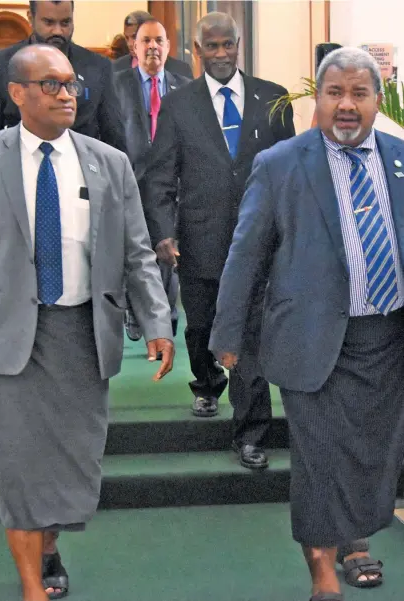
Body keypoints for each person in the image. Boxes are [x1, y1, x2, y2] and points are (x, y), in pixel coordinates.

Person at [0, 44, 174, 601]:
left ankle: (49, 544)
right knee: (16, 463)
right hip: (7, 336)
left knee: (73, 457)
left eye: (71, 85)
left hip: (83, 334)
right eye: (52, 85)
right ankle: (33, 584)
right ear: (17, 94)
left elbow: (136, 252)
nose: (67, 94)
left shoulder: (110, 162)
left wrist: (157, 321)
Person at [210, 46, 404, 601]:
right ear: (316, 99)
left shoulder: (400, 159)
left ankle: (357, 542)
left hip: (386, 340)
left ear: (377, 100)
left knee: (372, 452)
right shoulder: (280, 165)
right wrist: (226, 336)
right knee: (319, 460)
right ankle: (323, 576)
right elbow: (245, 255)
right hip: (311, 340)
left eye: (359, 94)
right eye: (335, 93)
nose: (346, 105)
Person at [141, 12, 294, 470]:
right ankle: (206, 383)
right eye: (213, 47)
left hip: (259, 241)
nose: (222, 54)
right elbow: (160, 176)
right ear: (196, 50)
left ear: (240, 44)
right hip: (199, 238)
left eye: (229, 45)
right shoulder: (179, 105)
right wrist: (164, 233)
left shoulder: (274, 98)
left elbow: (291, 170)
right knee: (202, 326)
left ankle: (250, 433)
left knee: (248, 337)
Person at [115, 18, 191, 342]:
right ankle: (134, 310)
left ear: (168, 46)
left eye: (159, 40)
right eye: (146, 41)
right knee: (134, 252)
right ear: (135, 46)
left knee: (167, 252)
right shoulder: (116, 84)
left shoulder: (184, 86)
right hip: (129, 182)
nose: (153, 47)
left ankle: (166, 316)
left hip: (169, 187)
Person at [0, 0, 126, 152]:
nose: (58, 31)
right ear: (30, 17)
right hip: (17, 167)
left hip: (82, 169)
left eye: (65, 22)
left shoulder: (98, 67)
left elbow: (114, 137)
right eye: (49, 22)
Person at [113, 10, 193, 80]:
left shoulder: (181, 70)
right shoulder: (115, 69)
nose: (130, 44)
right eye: (127, 38)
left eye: (134, 37)